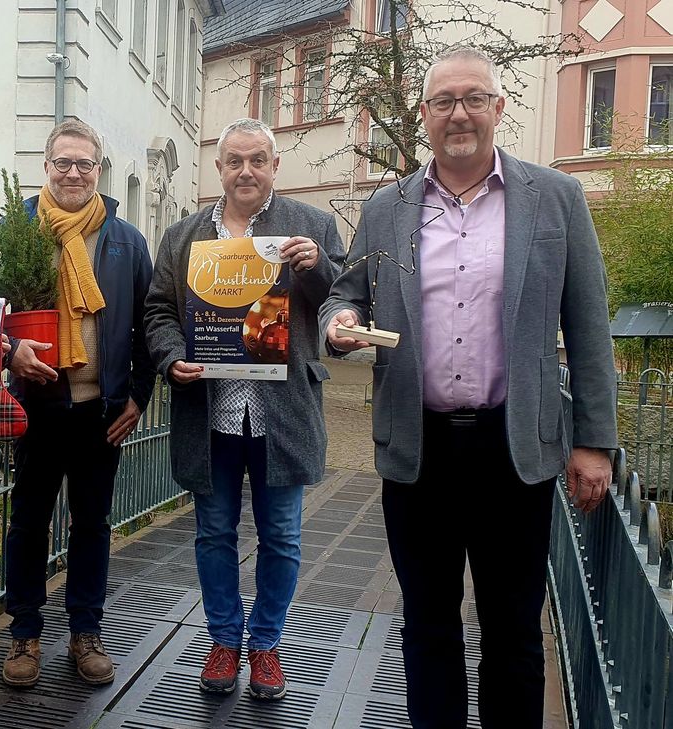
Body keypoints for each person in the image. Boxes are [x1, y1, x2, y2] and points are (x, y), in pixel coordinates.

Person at [319, 45, 617, 729]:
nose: (459, 114)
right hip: (417, 448)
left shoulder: (555, 199)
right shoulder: (389, 206)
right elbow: (348, 289)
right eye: (444, 101)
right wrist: (342, 318)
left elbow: (590, 323)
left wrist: (595, 441)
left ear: (498, 108)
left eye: (473, 98)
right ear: (424, 115)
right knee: (427, 627)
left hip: (514, 446)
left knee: (513, 631)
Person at [143, 118, 345, 700]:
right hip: (211, 412)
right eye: (235, 161)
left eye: (258, 160)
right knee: (213, 533)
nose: (246, 171)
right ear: (220, 167)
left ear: (275, 167)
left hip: (282, 410)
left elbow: (341, 303)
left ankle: (265, 645)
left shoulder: (311, 227)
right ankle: (224, 640)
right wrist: (171, 356)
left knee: (281, 536)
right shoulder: (184, 238)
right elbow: (158, 312)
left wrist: (318, 269)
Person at [0, 119, 154, 689]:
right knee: (28, 524)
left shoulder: (124, 239)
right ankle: (24, 634)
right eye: (63, 163)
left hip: (101, 412)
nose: (72, 172)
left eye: (84, 164)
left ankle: (85, 633)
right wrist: (12, 350)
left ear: (98, 171)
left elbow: (148, 321)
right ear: (46, 167)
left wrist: (138, 394)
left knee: (91, 524)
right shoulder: (17, 230)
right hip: (36, 407)